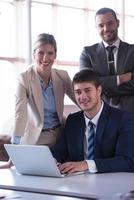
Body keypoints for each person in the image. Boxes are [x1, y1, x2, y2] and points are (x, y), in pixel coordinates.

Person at [0, 33, 75, 168]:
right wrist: (13, 155)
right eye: (41, 53)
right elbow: (20, 115)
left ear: (55, 55)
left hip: (60, 136)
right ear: (34, 54)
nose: (45, 58)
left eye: (50, 53)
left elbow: (80, 99)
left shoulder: (62, 76)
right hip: (36, 139)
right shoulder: (24, 79)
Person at [51, 69, 134, 174]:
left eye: (87, 90)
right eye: (78, 92)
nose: (83, 97)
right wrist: (53, 162)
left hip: (110, 183)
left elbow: (127, 161)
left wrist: (87, 164)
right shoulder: (73, 121)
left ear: (99, 91)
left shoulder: (123, 119)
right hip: (77, 183)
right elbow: (59, 152)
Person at [80, 7, 134, 113]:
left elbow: (93, 86)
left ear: (117, 23)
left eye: (110, 23)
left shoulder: (132, 51)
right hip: (100, 116)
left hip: (131, 115)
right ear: (96, 27)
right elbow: (86, 84)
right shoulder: (87, 53)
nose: (106, 29)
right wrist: (120, 79)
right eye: (101, 25)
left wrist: (102, 88)